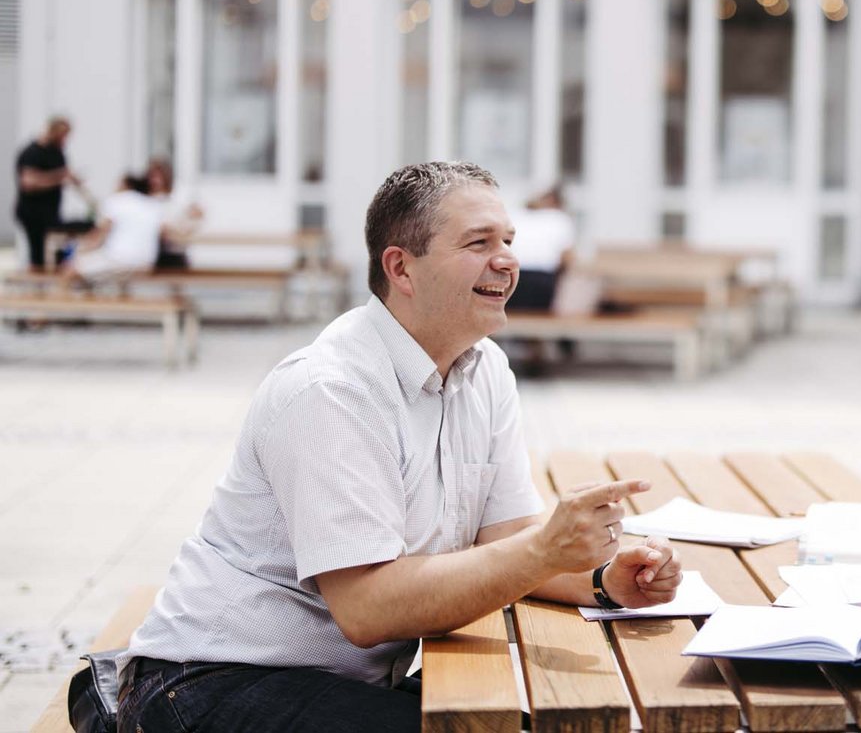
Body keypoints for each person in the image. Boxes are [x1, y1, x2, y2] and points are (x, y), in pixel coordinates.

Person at [117, 161, 682, 732]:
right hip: (208, 682)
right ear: (401, 268)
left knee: (540, 712)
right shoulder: (330, 389)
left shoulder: (484, 368)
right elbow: (368, 607)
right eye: (478, 242)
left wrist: (602, 580)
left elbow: (506, 538)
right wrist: (544, 550)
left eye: (509, 240)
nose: (508, 259)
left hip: (337, 681)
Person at [62, 172, 165, 284]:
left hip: (118, 260)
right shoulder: (153, 205)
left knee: (70, 270)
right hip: (146, 264)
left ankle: (60, 300)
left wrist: (78, 249)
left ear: (126, 186)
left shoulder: (117, 200)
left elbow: (98, 236)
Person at [12, 116, 83, 271]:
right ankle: (35, 289)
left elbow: (64, 175)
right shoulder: (32, 152)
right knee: (37, 254)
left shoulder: (57, 153)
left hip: (51, 212)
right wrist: (59, 177)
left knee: (58, 252)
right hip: (32, 212)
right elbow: (29, 183)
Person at [505, 185, 577, 312]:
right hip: (543, 276)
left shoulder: (515, 216)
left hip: (513, 272)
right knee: (538, 317)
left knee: (511, 316)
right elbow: (567, 257)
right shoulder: (560, 218)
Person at [145, 157, 204, 269]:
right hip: (150, 252)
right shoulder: (144, 201)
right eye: (152, 176)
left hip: (173, 251)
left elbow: (191, 222)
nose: (155, 180)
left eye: (158, 176)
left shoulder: (176, 200)